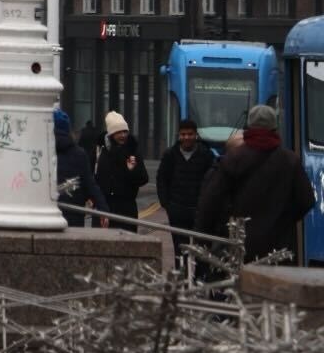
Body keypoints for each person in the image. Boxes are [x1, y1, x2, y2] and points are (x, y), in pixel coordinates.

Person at [195, 105, 316, 264]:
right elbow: (306, 201)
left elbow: (210, 202)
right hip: (279, 249)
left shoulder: (233, 159)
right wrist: (284, 220)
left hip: (240, 247)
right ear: (275, 128)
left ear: (248, 127)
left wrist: (203, 241)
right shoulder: (290, 160)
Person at [156, 116, 217, 255]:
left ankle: (198, 270)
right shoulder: (170, 155)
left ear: (196, 135)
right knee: (180, 249)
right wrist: (166, 204)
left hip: (200, 211)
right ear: (179, 135)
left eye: (190, 134)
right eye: (183, 134)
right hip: (177, 210)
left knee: (201, 250)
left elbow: (213, 181)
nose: (187, 137)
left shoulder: (206, 155)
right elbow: (162, 179)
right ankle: (182, 269)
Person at [52, 109, 106, 226]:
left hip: (48, 214)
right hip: (74, 215)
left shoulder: (41, 153)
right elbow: (89, 184)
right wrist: (103, 208)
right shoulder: (79, 154)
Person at [94, 111, 148, 227]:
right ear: (111, 134)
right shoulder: (100, 150)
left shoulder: (132, 151)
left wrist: (131, 170)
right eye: (118, 132)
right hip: (103, 209)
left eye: (125, 131)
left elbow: (143, 179)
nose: (123, 135)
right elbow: (94, 177)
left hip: (126, 210)